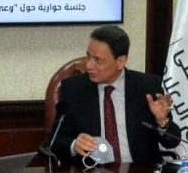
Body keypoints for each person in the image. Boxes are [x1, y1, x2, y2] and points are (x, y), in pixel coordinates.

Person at [51, 25, 179, 165]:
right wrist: (74, 145)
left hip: (140, 172)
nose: (89, 65)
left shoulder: (147, 87)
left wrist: (162, 121)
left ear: (120, 61)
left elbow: (172, 142)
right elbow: (55, 141)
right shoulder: (74, 89)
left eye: (98, 60)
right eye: (89, 57)